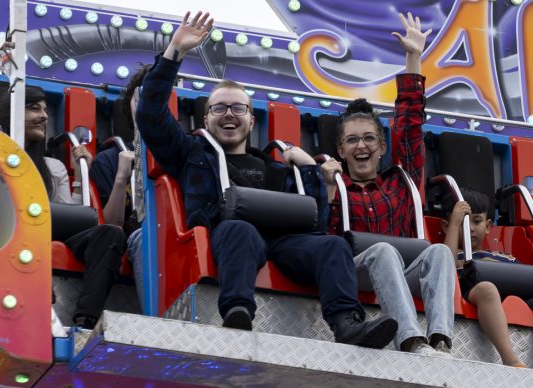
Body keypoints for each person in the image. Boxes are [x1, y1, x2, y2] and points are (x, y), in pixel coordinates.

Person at [136, 11, 396, 346]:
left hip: (284, 243)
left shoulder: (274, 169)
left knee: (332, 244)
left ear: (250, 119)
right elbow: (150, 114)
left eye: (238, 108)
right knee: (239, 229)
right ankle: (237, 313)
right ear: (206, 117)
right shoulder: (194, 154)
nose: (229, 114)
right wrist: (175, 51)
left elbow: (315, 220)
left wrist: (307, 169)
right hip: (231, 236)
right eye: (219, 108)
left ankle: (348, 324)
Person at [318, 13, 456, 358]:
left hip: (399, 275)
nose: (361, 146)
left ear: (381, 146)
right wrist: (330, 192)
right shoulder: (333, 181)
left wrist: (414, 59)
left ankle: (440, 340)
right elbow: (322, 241)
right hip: (355, 271)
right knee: (382, 250)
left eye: (368, 139)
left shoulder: (401, 181)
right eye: (352, 141)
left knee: (438, 251)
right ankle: (411, 341)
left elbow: (410, 123)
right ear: (341, 149)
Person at [0, 85, 126, 329]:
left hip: (47, 228)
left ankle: (86, 318)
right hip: (9, 232)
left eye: (46, 110)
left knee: (109, 233)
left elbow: (71, 216)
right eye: (34, 108)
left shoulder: (53, 167)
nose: (44, 116)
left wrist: (80, 176)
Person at [443, 189, 533, 370]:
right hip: (474, 292)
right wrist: (454, 226)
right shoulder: (450, 253)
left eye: (476, 221)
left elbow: (531, 282)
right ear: (447, 226)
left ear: (487, 226)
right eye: (463, 222)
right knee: (488, 288)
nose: (470, 228)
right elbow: (446, 266)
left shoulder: (504, 257)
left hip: (514, 294)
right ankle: (511, 360)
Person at [88, 66, 150, 312]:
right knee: (145, 238)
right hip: (133, 239)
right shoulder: (110, 159)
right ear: (130, 107)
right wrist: (121, 177)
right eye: (143, 97)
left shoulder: (187, 152)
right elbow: (110, 226)